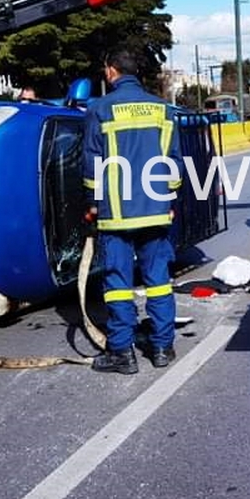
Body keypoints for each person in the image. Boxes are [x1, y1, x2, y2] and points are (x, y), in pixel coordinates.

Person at [82, 50, 182, 375]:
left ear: (111, 71)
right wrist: (167, 200)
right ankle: (163, 347)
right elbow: (175, 163)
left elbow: (92, 164)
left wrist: (93, 203)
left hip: (116, 214)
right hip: (155, 211)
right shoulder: (162, 108)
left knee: (119, 284)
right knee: (159, 283)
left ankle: (123, 354)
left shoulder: (99, 109)